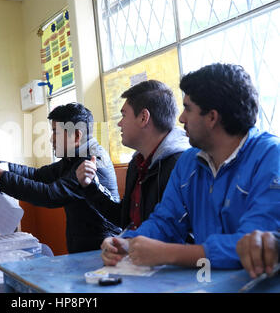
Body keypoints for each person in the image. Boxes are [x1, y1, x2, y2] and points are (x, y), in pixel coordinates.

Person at [101, 63, 280, 269]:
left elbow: (256, 247)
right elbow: (165, 221)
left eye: (187, 108)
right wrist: (127, 242)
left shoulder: (270, 157)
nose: (181, 118)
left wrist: (170, 253)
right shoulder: (189, 162)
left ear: (212, 117)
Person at [0, 103, 121, 253]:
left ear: (76, 136)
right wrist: (0, 166)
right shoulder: (72, 158)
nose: (51, 139)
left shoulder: (91, 162)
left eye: (55, 132)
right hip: (84, 242)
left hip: (102, 247)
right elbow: (37, 175)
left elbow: (50, 195)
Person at [76, 80, 190, 231]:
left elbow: (187, 236)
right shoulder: (137, 163)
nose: (119, 124)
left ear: (143, 117)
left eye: (123, 115)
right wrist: (90, 186)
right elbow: (124, 218)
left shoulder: (181, 165)